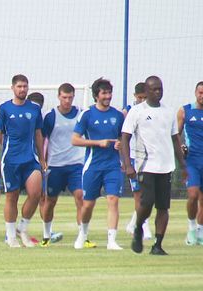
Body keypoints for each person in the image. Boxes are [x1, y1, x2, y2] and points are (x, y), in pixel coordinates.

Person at [122, 76, 185, 255]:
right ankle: (138, 227)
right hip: (146, 165)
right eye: (154, 89)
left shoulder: (168, 111)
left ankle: (157, 244)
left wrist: (183, 165)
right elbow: (125, 137)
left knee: (163, 207)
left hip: (166, 166)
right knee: (147, 202)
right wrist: (128, 164)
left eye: (160, 88)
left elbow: (175, 138)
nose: (158, 92)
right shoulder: (137, 111)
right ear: (147, 91)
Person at [0, 74, 45, 248]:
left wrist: (42, 157)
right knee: (11, 197)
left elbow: (38, 134)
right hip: (11, 160)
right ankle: (11, 236)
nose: (22, 89)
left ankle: (22, 228)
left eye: (25, 86)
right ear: (13, 88)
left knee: (36, 193)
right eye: (19, 86)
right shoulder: (4, 108)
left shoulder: (35, 108)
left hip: (30, 159)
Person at [72, 78, 124, 250]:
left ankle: (111, 241)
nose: (108, 96)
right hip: (92, 166)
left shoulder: (117, 115)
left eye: (109, 93)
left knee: (113, 200)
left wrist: (119, 145)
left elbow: (122, 139)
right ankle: (83, 234)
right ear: (96, 95)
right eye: (104, 93)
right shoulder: (87, 115)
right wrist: (98, 142)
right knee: (88, 205)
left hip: (113, 166)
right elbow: (75, 140)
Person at [39, 83, 87, 247]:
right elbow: (43, 140)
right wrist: (43, 161)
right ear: (59, 97)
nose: (67, 100)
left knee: (80, 197)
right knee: (50, 201)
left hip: (76, 164)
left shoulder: (81, 114)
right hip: (56, 166)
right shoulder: (50, 116)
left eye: (70, 97)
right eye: (64, 97)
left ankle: (82, 235)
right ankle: (46, 234)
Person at [123, 82, 152, 239]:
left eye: (145, 97)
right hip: (134, 156)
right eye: (139, 97)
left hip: (150, 157)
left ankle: (133, 222)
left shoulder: (154, 111)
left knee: (148, 193)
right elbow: (123, 136)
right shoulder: (128, 112)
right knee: (138, 193)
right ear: (135, 96)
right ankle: (143, 227)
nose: (142, 100)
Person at [177, 81, 203, 245]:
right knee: (192, 194)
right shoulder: (185, 110)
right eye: (200, 92)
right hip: (192, 160)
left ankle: (200, 232)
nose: (202, 96)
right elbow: (176, 134)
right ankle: (191, 228)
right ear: (195, 93)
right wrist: (180, 148)